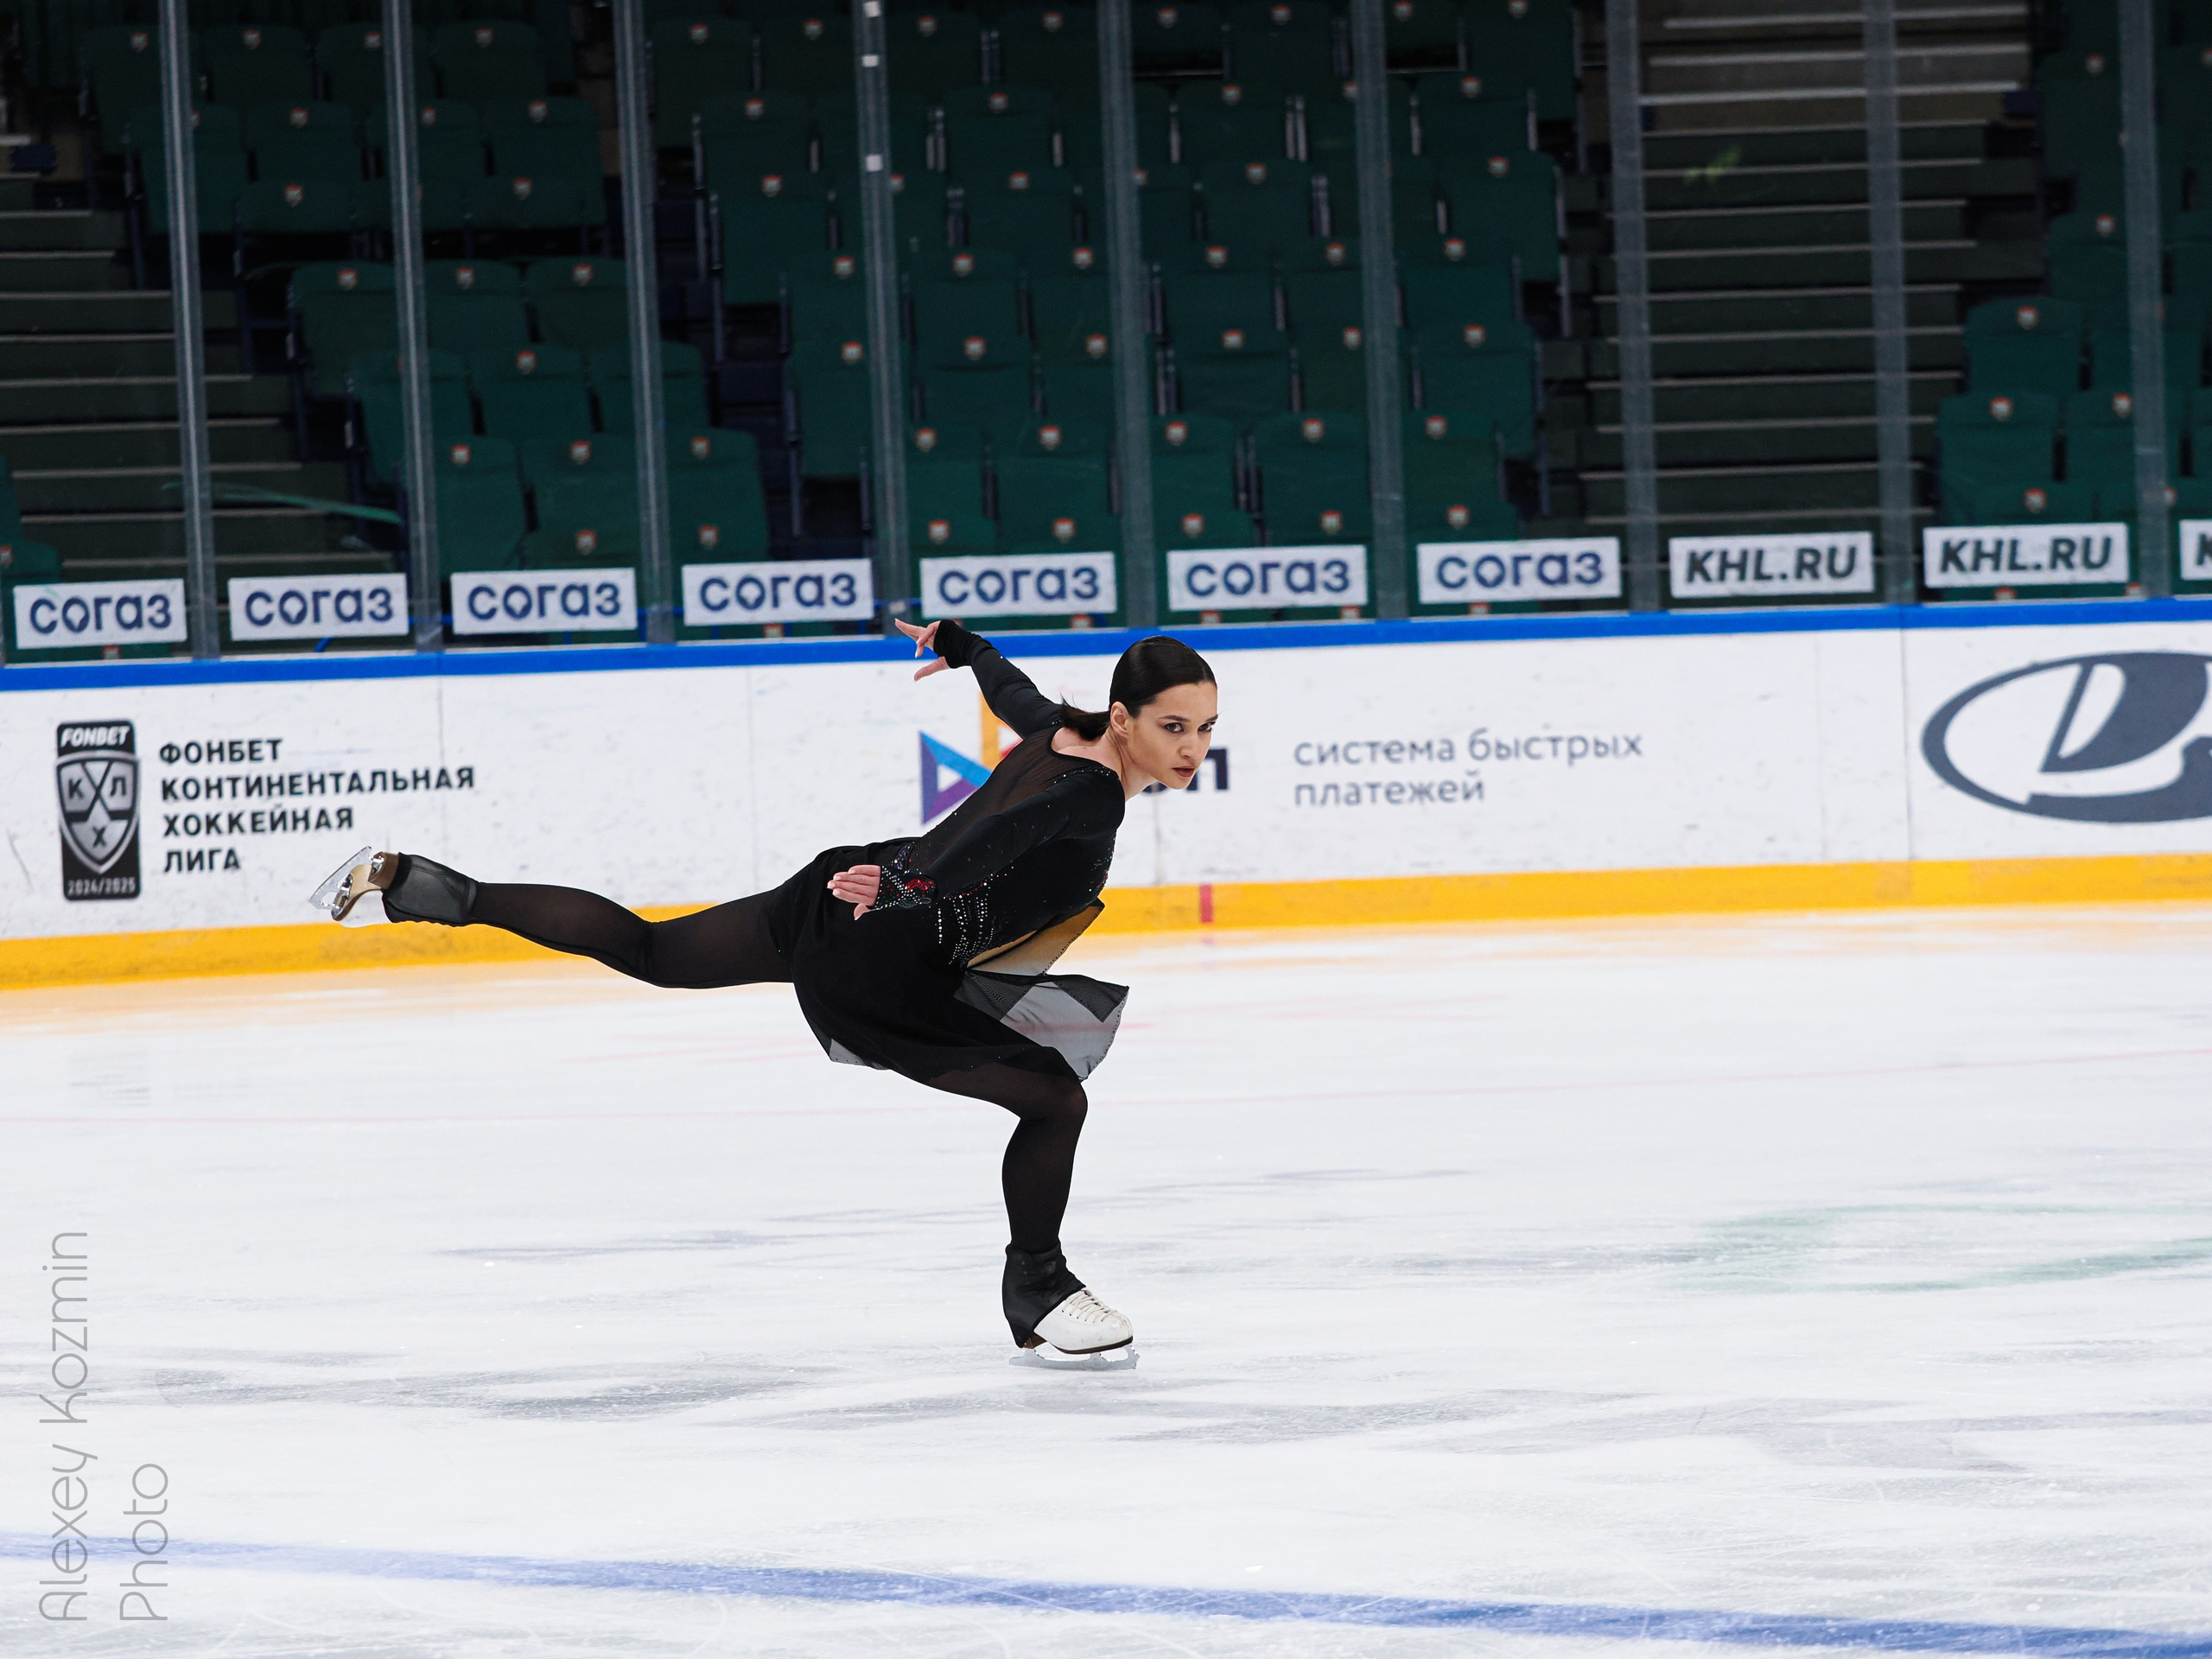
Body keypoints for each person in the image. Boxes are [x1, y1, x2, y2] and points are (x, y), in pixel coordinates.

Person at [310, 620, 1219, 1366]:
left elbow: (1009, 693)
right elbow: (998, 838)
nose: (1191, 747)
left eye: (1205, 728)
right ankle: (1039, 1286)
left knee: (654, 950)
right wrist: (913, 885)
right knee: (1055, 1098)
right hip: (886, 947)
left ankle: (427, 888)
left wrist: (962, 646)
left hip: (842, 893)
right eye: (1173, 726)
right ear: (1123, 718)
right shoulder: (1094, 794)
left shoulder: (1058, 730)